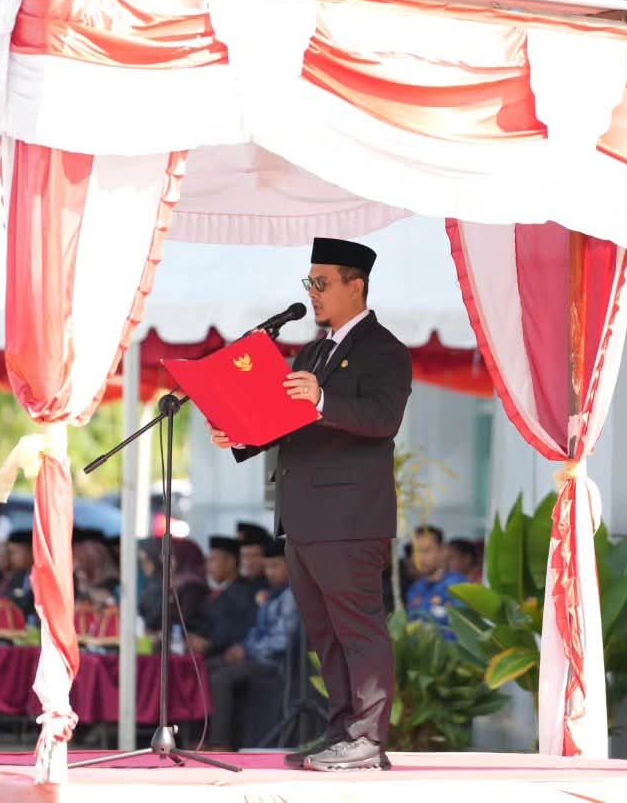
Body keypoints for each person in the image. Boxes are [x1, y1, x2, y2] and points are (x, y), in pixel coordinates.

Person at [211, 236, 412, 772]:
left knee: (359, 630)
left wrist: (321, 399)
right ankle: (342, 731)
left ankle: (367, 739)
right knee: (327, 634)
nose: (313, 293)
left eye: (322, 283)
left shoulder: (384, 349)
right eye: (310, 283)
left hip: (349, 519)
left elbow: (383, 419)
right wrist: (240, 435)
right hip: (303, 519)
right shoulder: (312, 351)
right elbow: (286, 422)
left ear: (356, 285)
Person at [205, 540, 300, 750]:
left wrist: (247, 651)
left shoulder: (290, 596)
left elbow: (283, 640)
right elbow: (257, 630)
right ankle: (201, 735)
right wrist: (241, 647)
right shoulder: (272, 593)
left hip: (274, 662)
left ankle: (220, 743)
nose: (269, 572)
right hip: (258, 656)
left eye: (275, 566)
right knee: (207, 668)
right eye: (267, 567)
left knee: (221, 678)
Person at [187, 536, 258, 659]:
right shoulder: (218, 591)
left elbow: (237, 629)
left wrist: (210, 643)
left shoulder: (242, 593)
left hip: (223, 655)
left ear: (230, 562)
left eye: (213, 560)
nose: (208, 566)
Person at [403, 526, 466, 639]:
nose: (419, 557)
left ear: (443, 551)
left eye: (426, 550)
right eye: (415, 551)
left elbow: (464, 631)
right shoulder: (416, 588)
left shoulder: (458, 587)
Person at [0, 529, 36, 620]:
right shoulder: (16, 578)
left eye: (14, 552)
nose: (10, 558)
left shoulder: (45, 578)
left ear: (31, 550)